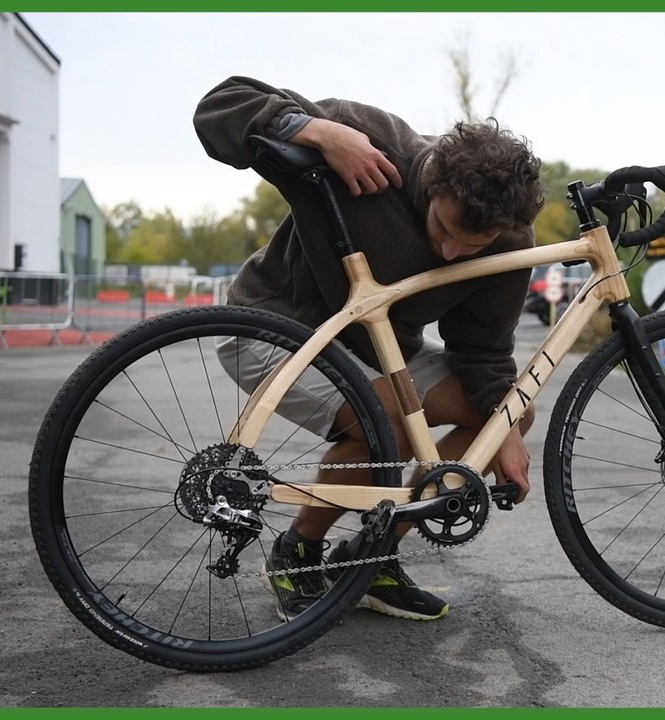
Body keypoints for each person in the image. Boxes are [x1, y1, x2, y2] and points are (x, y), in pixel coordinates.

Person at [194, 76, 545, 622]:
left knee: (507, 413)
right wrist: (316, 131)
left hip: (378, 352)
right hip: (273, 327)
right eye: (444, 229)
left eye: (471, 247)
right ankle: (298, 554)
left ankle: (371, 556)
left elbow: (483, 354)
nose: (451, 253)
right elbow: (221, 106)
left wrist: (506, 424)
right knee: (390, 421)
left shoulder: (508, 242)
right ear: (434, 187)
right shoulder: (374, 143)